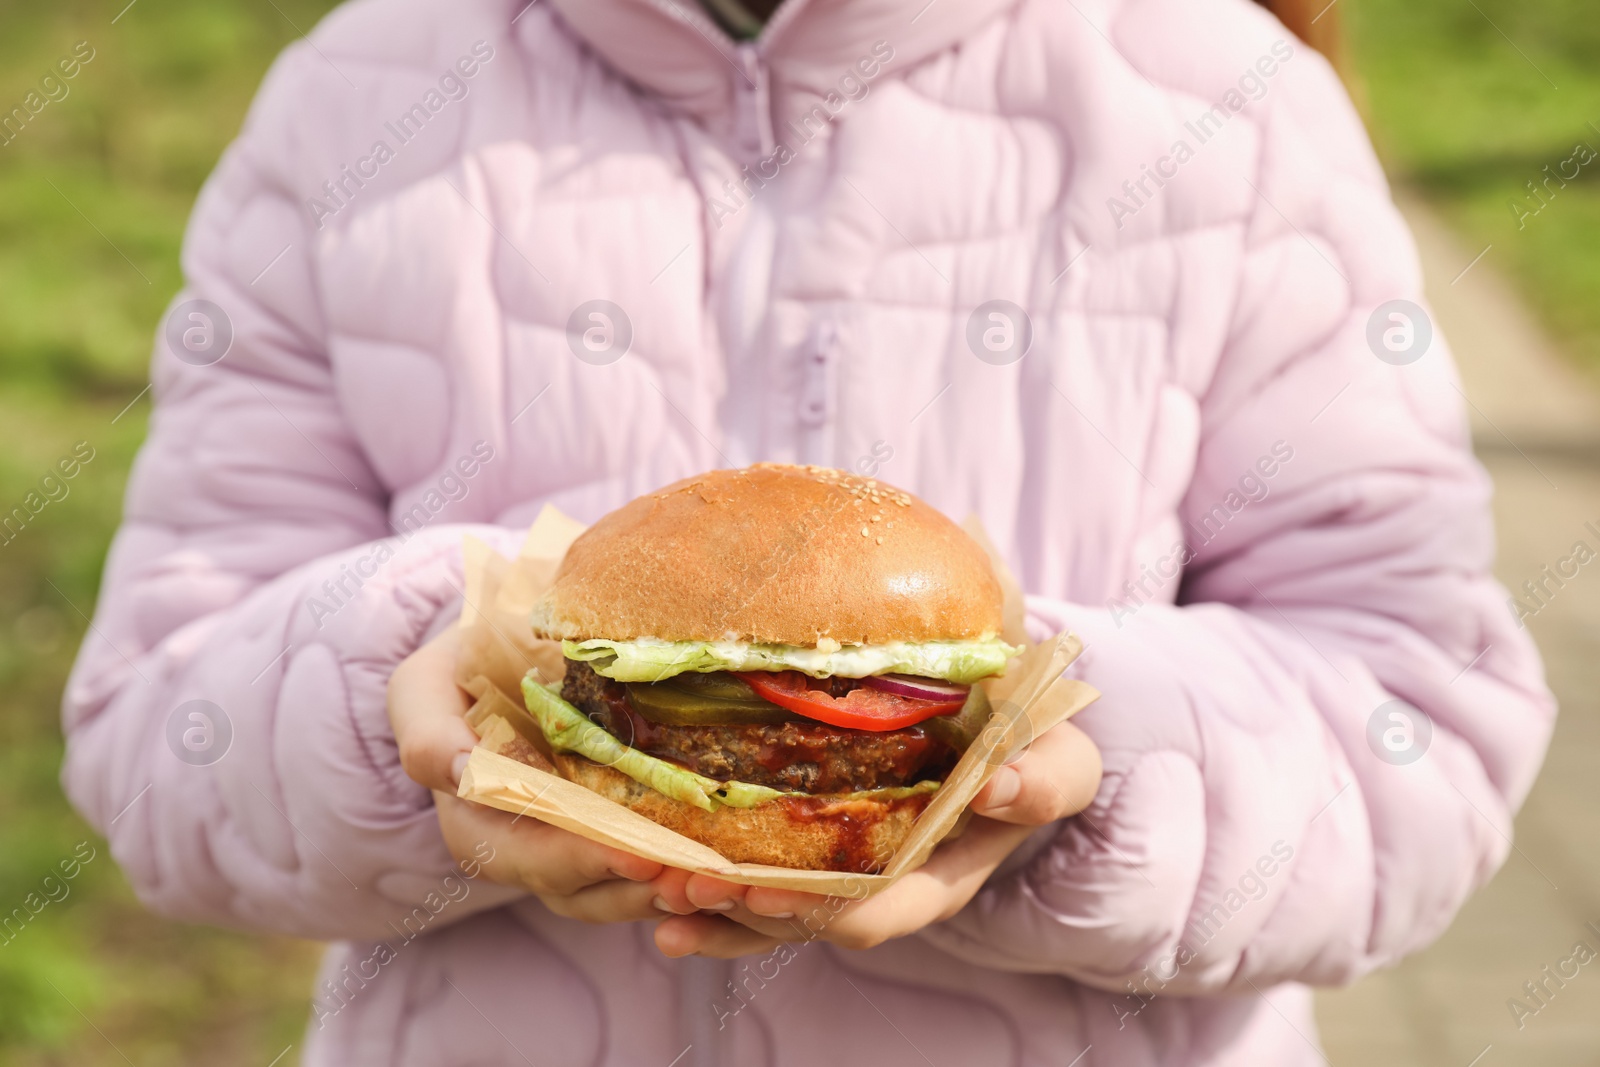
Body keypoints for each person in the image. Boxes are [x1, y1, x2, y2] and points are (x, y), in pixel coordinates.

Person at [61, 0, 1554, 1063]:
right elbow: (149, 742)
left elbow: (1424, 727)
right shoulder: (357, 99)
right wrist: (415, 701)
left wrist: (1064, 785)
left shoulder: (1225, 98)